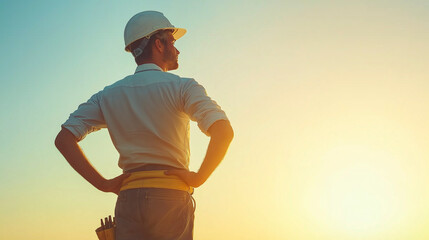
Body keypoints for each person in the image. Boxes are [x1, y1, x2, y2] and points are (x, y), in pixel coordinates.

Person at [54, 11, 233, 240]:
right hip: (170, 198)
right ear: (158, 44)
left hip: (128, 199)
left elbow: (64, 139)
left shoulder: (108, 95)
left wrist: (104, 184)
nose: (178, 50)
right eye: (173, 42)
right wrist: (199, 177)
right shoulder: (183, 87)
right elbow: (224, 131)